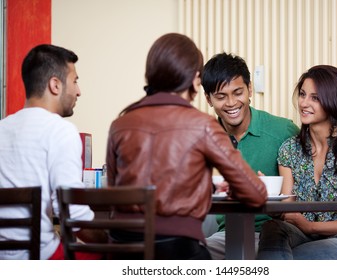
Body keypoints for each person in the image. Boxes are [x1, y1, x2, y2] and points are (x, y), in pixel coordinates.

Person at [105, 33, 267, 260]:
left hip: (121, 250)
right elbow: (256, 194)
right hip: (176, 250)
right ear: (195, 79)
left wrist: (204, 188)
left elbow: (115, 194)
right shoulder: (202, 125)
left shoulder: (120, 124)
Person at [257, 65, 337, 260]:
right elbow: (287, 210)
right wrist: (269, 197)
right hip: (306, 237)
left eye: (315, 98)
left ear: (334, 101)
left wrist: (311, 226)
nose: (304, 103)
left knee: (286, 257)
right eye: (303, 94)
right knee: (273, 228)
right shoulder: (289, 150)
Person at [0, 44, 107, 260]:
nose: (79, 91)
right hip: (40, 258)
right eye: (75, 80)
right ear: (55, 85)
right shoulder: (61, 131)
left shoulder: (2, 127)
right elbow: (72, 214)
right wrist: (108, 240)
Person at [201, 52, 299, 259]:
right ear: (208, 99)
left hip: (272, 234)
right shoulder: (204, 138)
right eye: (220, 96)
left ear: (250, 89)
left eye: (238, 92)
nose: (231, 103)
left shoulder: (283, 131)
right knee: (188, 257)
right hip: (226, 234)